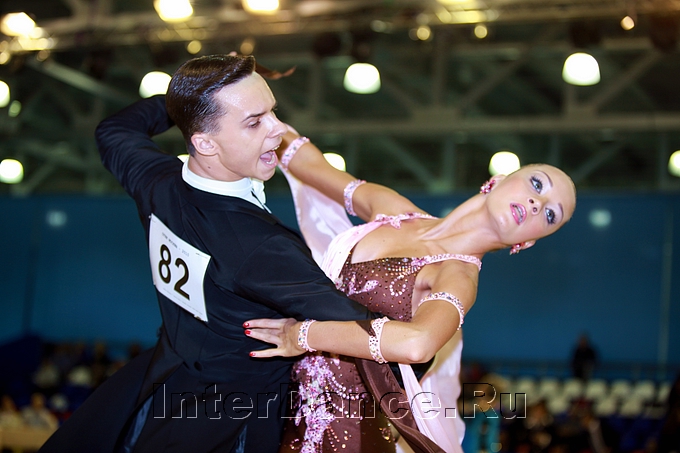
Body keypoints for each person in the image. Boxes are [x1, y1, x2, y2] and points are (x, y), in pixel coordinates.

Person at [38, 54, 378, 453]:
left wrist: (189, 99)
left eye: (272, 112)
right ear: (204, 143)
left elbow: (114, 129)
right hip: (234, 419)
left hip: (163, 384)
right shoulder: (260, 247)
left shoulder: (156, 183)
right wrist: (304, 335)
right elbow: (372, 334)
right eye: (254, 122)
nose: (278, 129)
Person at [244, 133, 577, 453]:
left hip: (347, 436)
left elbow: (417, 344)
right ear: (500, 179)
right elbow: (309, 164)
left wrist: (302, 335)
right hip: (278, 404)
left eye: (550, 214)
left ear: (527, 242)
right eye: (537, 184)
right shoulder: (393, 210)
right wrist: (261, 121)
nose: (537, 204)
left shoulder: (456, 276)